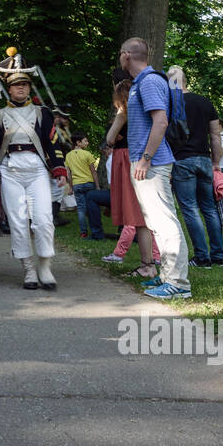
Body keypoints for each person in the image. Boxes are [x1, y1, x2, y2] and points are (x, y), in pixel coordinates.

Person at [0, 48, 68, 289]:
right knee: (18, 222)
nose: (21, 88)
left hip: (36, 171)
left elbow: (52, 143)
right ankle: (29, 270)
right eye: (16, 85)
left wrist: (59, 169)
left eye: (24, 84)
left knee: (44, 221)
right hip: (10, 171)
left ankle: (45, 267)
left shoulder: (42, 113)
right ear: (8, 88)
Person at [118, 38, 189, 299]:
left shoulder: (149, 82)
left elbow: (160, 122)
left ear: (127, 55)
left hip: (154, 162)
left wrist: (146, 158)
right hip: (146, 160)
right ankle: (167, 276)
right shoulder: (141, 82)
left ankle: (178, 284)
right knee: (156, 223)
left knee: (165, 222)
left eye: (120, 53)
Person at [164, 65, 223, 267]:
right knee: (209, 208)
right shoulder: (205, 102)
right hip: (204, 159)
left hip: (182, 160)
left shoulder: (171, 103)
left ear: (170, 82)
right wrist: (216, 162)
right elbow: (215, 136)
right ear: (185, 80)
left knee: (190, 208)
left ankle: (202, 257)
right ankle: (218, 256)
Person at [101, 76, 161, 271]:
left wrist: (119, 119)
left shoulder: (123, 112)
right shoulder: (144, 112)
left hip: (125, 158)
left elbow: (110, 139)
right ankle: (153, 258)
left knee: (134, 210)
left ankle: (146, 261)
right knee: (142, 209)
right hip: (141, 156)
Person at [66, 132, 109, 240]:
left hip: (77, 185)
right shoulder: (87, 154)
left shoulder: (68, 156)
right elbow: (93, 172)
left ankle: (83, 232)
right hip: (89, 184)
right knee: (92, 208)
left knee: (81, 209)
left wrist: (71, 187)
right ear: (78, 142)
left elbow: (68, 173)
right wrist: (98, 186)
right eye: (85, 141)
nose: (87, 143)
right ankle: (95, 230)